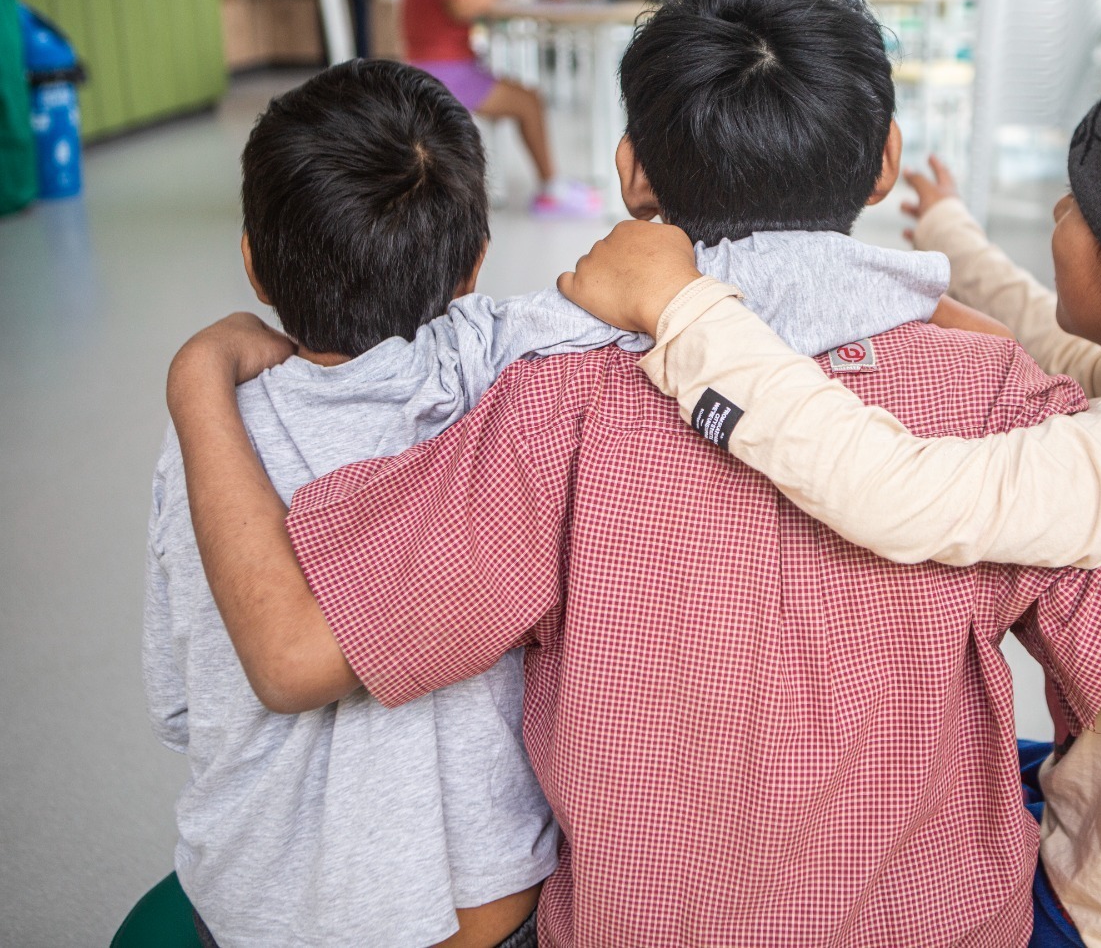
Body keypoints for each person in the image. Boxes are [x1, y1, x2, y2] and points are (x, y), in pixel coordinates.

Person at [164, 0, 1101, 945]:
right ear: (885, 162)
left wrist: (201, 382)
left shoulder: (558, 403)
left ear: (633, 176)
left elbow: (299, 652)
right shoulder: (1008, 403)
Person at [556, 14, 1101, 947]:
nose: (1055, 218)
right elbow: (1047, 328)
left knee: (943, 835)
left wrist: (685, 314)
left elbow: (894, 486)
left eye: (1075, 208)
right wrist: (943, 241)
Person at [143, 57, 947, 946]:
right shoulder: (516, 366)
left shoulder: (207, 450)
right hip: (486, 920)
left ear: (254, 264)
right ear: (475, 263)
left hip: (254, 916)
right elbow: (758, 290)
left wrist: (197, 379)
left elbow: (182, 707)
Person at [403, 0, 600, 216]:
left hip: (429, 61)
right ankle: (551, 189)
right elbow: (463, 7)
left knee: (525, 97)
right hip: (444, 71)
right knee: (529, 101)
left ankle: (550, 184)